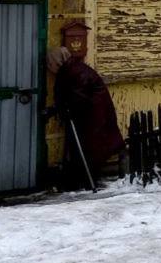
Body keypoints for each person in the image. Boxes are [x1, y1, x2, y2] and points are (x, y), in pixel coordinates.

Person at [47, 46, 124, 191]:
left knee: (90, 149)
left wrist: (62, 109)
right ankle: (82, 180)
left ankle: (87, 181)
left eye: (50, 64)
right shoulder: (71, 70)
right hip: (93, 115)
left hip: (94, 117)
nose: (49, 67)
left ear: (57, 62)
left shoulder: (74, 72)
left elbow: (77, 98)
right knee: (86, 148)